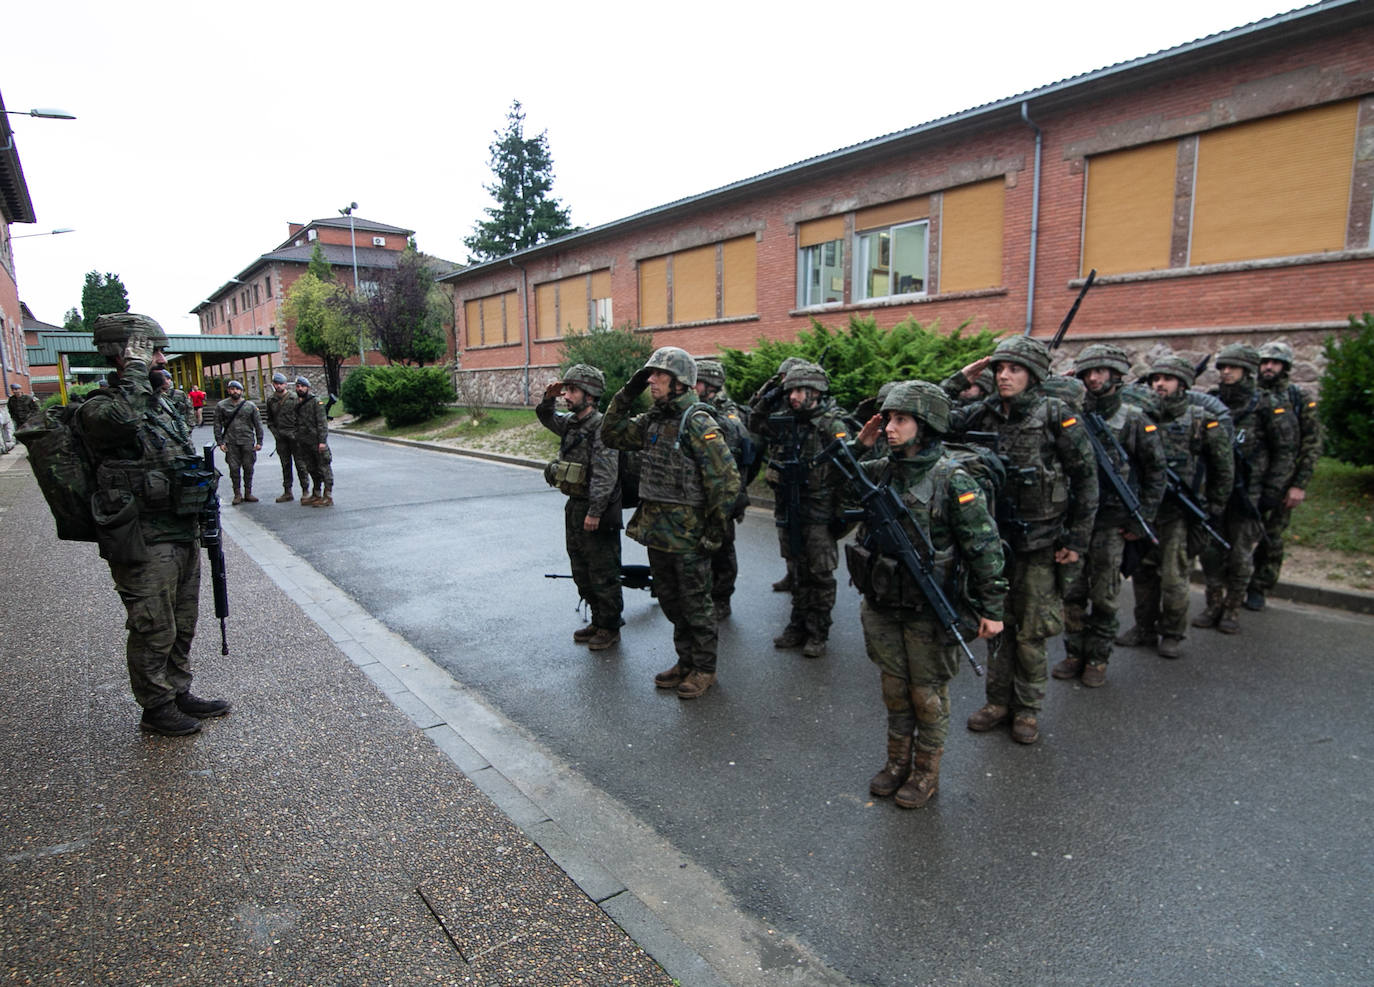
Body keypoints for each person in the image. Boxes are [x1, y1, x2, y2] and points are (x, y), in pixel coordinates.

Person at [849, 381, 1006, 808]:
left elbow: (984, 547)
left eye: (901, 420)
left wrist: (992, 608)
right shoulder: (883, 468)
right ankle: (897, 762)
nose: (890, 428)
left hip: (929, 609)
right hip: (884, 601)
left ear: (927, 424)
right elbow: (834, 485)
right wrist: (859, 446)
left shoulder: (953, 479)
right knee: (894, 688)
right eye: (889, 420)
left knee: (927, 694)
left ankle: (924, 772)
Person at [79, 313, 230, 736]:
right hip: (141, 537)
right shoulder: (101, 407)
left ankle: (178, 690)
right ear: (123, 355)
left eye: (158, 351)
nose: (161, 358)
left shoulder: (159, 403)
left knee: (183, 620)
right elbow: (122, 422)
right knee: (153, 625)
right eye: (151, 351)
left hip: (180, 528)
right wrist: (135, 372)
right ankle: (156, 707)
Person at [947, 336, 1098, 744]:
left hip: (1040, 542)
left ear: (1033, 375)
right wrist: (960, 380)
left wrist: (1077, 540)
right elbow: (934, 416)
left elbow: (1086, 479)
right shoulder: (985, 411)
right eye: (999, 369)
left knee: (1030, 631)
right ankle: (997, 702)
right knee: (996, 625)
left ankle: (1027, 709)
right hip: (995, 542)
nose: (1003, 376)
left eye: (1013, 369)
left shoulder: (1056, 415)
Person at [601, 347, 740, 699]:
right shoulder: (655, 419)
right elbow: (611, 434)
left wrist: (713, 533)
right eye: (651, 375)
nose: (652, 381)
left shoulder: (697, 422)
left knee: (697, 605)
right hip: (659, 532)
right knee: (671, 601)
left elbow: (725, 482)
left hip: (690, 536)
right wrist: (627, 392)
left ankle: (704, 668)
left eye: (658, 375)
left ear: (679, 382)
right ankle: (686, 660)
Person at [1054, 344, 1165, 687]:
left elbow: (1155, 473)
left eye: (1100, 371)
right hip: (1075, 521)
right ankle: (1074, 652)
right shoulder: (1071, 413)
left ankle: (1098, 658)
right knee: (1071, 592)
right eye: (1087, 372)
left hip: (1112, 523)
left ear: (1117, 375)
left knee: (1104, 594)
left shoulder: (1132, 419)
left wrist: (1140, 518)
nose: (1093, 378)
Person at [1117, 354, 1233, 659]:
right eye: (1155, 379)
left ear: (1183, 384)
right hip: (1145, 509)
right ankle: (1144, 627)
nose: (1159, 384)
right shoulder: (1141, 417)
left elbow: (1223, 466)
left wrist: (1216, 504)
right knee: (1142, 573)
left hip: (1179, 512)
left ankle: (1172, 632)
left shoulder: (1199, 419)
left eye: (1166, 379)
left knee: (1174, 576)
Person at [753, 362, 852, 658]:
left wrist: (841, 516)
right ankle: (798, 625)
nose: (793, 396)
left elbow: (849, 472)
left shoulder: (831, 424)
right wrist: (772, 389)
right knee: (796, 570)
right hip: (789, 509)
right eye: (790, 390)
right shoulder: (784, 420)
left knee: (819, 574)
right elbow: (755, 421)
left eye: (800, 390)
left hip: (819, 513)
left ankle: (818, 631)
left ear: (816, 392)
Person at [1194, 343, 1283, 634]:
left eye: (1232, 367)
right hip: (1215, 490)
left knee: (1240, 554)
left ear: (1247, 370)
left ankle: (1232, 607)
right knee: (1210, 552)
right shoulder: (1211, 401)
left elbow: (1284, 450)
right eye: (1222, 367)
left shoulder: (1266, 404)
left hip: (1249, 493)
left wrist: (1274, 489)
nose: (1226, 372)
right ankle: (1213, 604)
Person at [536, 363, 623, 650]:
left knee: (603, 570)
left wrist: (595, 512)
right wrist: (548, 399)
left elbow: (605, 473)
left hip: (595, 508)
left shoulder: (600, 427)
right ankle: (598, 620)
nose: (566, 396)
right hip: (574, 506)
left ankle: (610, 626)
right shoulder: (573, 423)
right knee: (581, 568)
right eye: (567, 390)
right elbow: (547, 418)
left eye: (572, 390)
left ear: (590, 394)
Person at [1247, 340, 1322, 610]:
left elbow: (1311, 445)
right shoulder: (1250, 395)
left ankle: (1259, 587)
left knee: (1271, 539)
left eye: (1275, 363)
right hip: (1248, 481)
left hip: (1281, 482)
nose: (1268, 367)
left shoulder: (1298, 399)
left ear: (1285, 366)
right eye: (1265, 362)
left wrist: (1299, 485)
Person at [747, 355, 811, 593]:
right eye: (782, 378)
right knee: (783, 525)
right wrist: (770, 388)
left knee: (806, 530)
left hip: (802, 476)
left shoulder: (802, 405)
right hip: (780, 474)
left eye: (787, 378)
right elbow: (753, 414)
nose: (785, 383)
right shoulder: (778, 403)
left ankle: (804, 577)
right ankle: (791, 571)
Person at [694, 359, 752, 619]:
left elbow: (735, 461)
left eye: (696, 382)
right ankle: (705, 594)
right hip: (702, 494)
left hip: (724, 496)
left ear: (709, 385)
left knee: (722, 550)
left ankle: (722, 598)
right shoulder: (700, 410)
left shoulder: (729, 417)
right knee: (703, 548)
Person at [213, 379, 264, 505]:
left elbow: (258, 424)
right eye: (232, 389)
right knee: (234, 468)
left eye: (237, 389)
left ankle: (248, 492)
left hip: (247, 441)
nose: (234, 391)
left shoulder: (250, 406)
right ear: (228, 391)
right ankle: (237, 493)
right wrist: (220, 442)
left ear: (241, 391)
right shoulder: (221, 406)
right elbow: (217, 424)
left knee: (248, 467)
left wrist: (259, 441)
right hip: (231, 441)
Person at [264, 372, 307, 502]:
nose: (278, 386)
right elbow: (270, 421)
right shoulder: (271, 400)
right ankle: (287, 491)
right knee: (285, 465)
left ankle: (305, 490)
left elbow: (303, 418)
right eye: (276, 384)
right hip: (281, 438)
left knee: (301, 464)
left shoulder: (294, 398)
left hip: (295, 437)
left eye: (281, 383)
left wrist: (299, 434)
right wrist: (276, 434)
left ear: (285, 384)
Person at [293, 375, 334, 507]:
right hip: (304, 441)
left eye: (302, 386)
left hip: (317, 441)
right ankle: (316, 493)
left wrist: (322, 441)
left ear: (308, 388)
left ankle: (327, 495)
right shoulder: (297, 403)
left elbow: (322, 423)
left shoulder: (316, 402)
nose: (300, 389)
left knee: (324, 468)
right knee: (311, 468)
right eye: (298, 386)